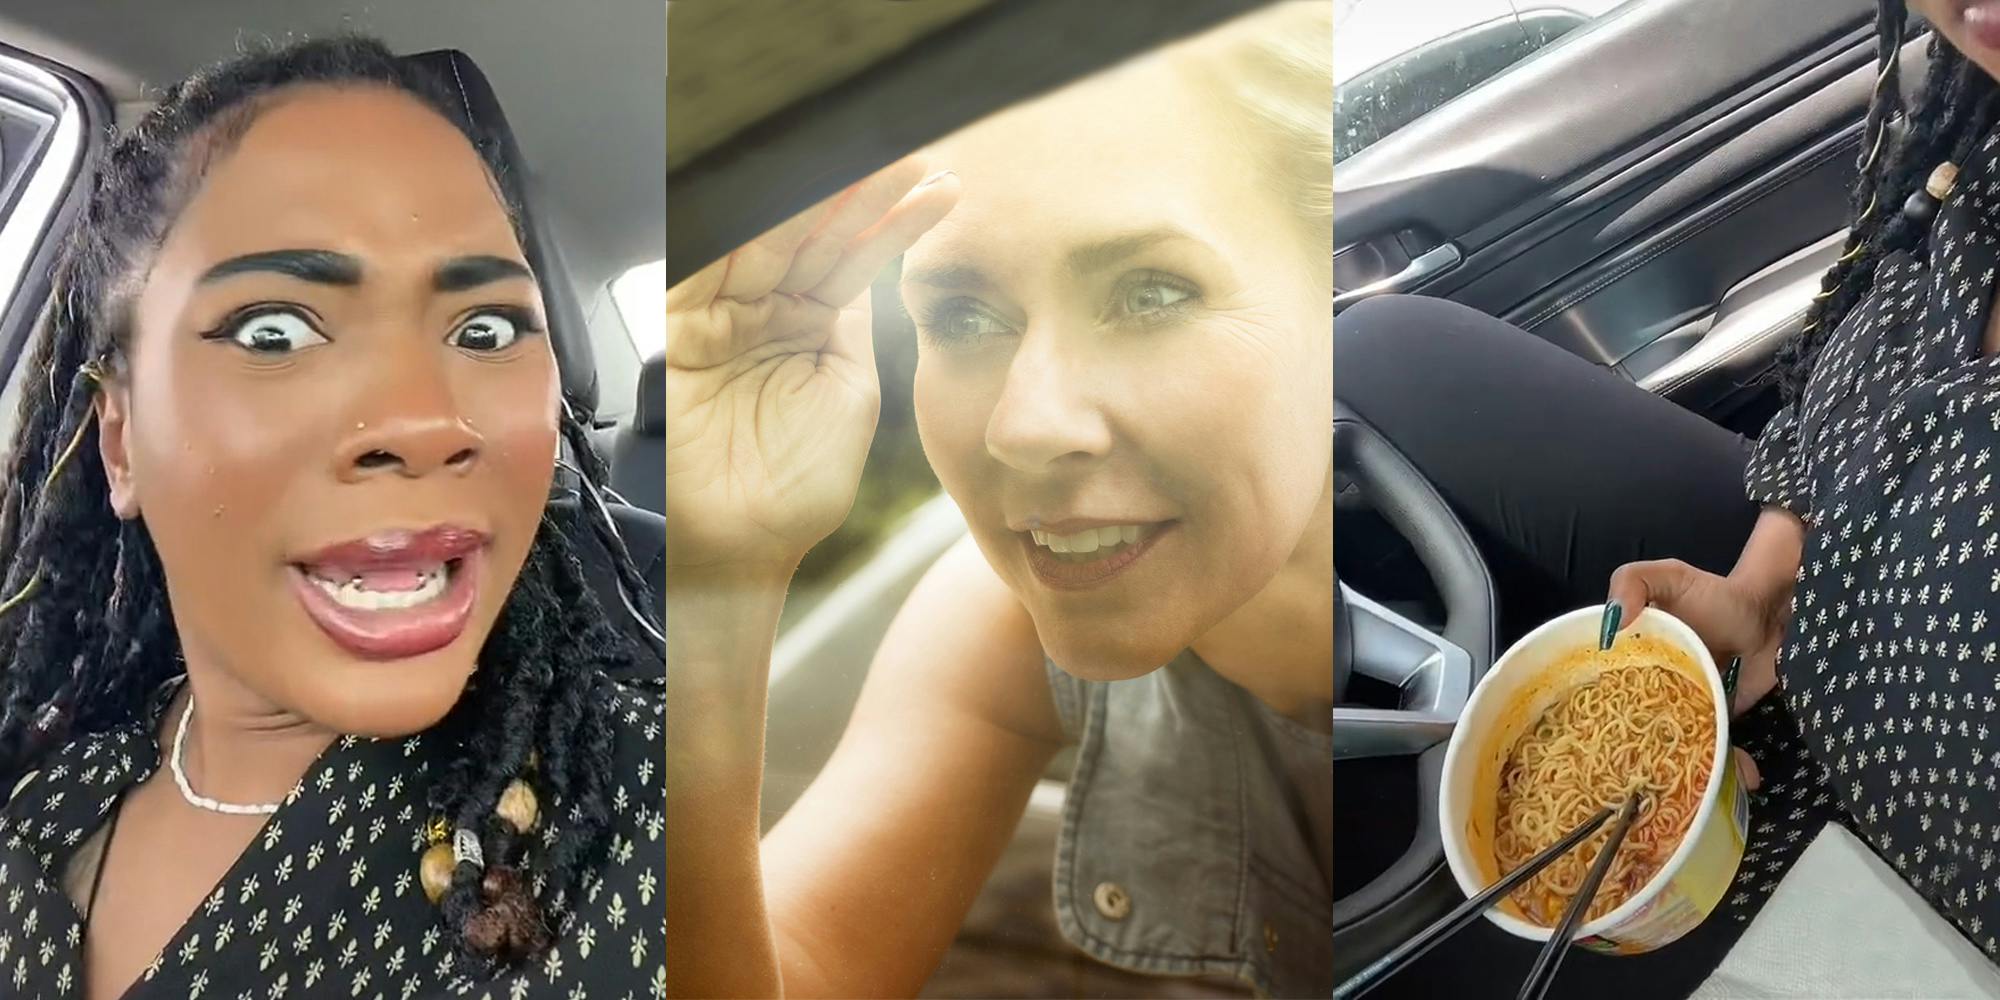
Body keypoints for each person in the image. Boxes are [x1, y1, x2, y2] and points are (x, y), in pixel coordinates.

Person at [665, 3, 1332, 997]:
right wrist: (714, 573)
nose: (1024, 424)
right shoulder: (994, 627)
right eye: (964, 314)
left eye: (1149, 293)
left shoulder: (1478, 468)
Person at [1337, 0, 2000, 994]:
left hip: (1931, 882)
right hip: (1833, 641)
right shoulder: (1971, 121)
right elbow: (1885, 328)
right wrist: (1764, 589)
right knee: (1380, 357)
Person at [0, 37, 663, 998]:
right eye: (276, 329)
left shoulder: (655, 814)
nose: (426, 421)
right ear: (120, 441)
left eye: (486, 329)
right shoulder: (44, 797)